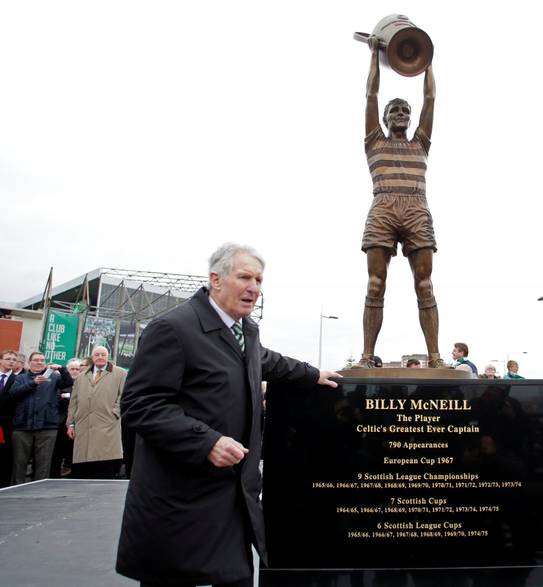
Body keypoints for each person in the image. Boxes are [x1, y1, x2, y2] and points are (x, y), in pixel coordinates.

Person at [116, 243, 340, 587]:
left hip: (232, 499)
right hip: (180, 500)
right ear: (215, 279)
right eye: (245, 277)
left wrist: (311, 374)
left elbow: (265, 360)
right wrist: (206, 442)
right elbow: (141, 404)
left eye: (259, 280)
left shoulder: (245, 332)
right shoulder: (173, 329)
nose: (254, 287)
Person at [358, 36, 443, 369]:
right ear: (385, 118)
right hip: (382, 208)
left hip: (416, 208)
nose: (401, 113)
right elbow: (370, 95)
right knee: (375, 283)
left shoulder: (421, 142)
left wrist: (427, 60)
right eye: (394, 110)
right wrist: (373, 57)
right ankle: (366, 356)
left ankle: (435, 357)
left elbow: (431, 97)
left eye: (405, 110)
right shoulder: (374, 141)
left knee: (425, 283)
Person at [8, 351, 72, 484]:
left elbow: (68, 382)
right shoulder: (21, 378)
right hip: (23, 427)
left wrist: (62, 369)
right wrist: (33, 383)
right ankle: (16, 490)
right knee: (19, 463)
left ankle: (39, 492)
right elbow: (13, 394)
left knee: (43, 464)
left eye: (42, 360)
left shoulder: (54, 377)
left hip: (47, 427)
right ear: (29, 363)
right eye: (36, 360)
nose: (39, 362)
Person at [67, 346, 127, 479]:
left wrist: (115, 412)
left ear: (108, 356)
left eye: (103, 355)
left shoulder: (120, 373)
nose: (100, 357)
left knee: (104, 463)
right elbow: (74, 401)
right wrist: (71, 423)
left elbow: (124, 396)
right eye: (97, 355)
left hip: (107, 424)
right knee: (83, 467)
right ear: (92, 357)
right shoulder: (82, 376)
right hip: (83, 425)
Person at [50, 357, 81, 478]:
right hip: (60, 424)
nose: (74, 371)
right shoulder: (59, 383)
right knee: (57, 453)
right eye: (71, 369)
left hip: (78, 424)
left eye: (77, 369)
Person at [0, 349, 17, 487]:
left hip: (8, 424)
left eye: (13, 359)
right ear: (1, 360)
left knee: (5, 457)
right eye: (8, 358)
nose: (11, 361)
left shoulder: (18, 379)